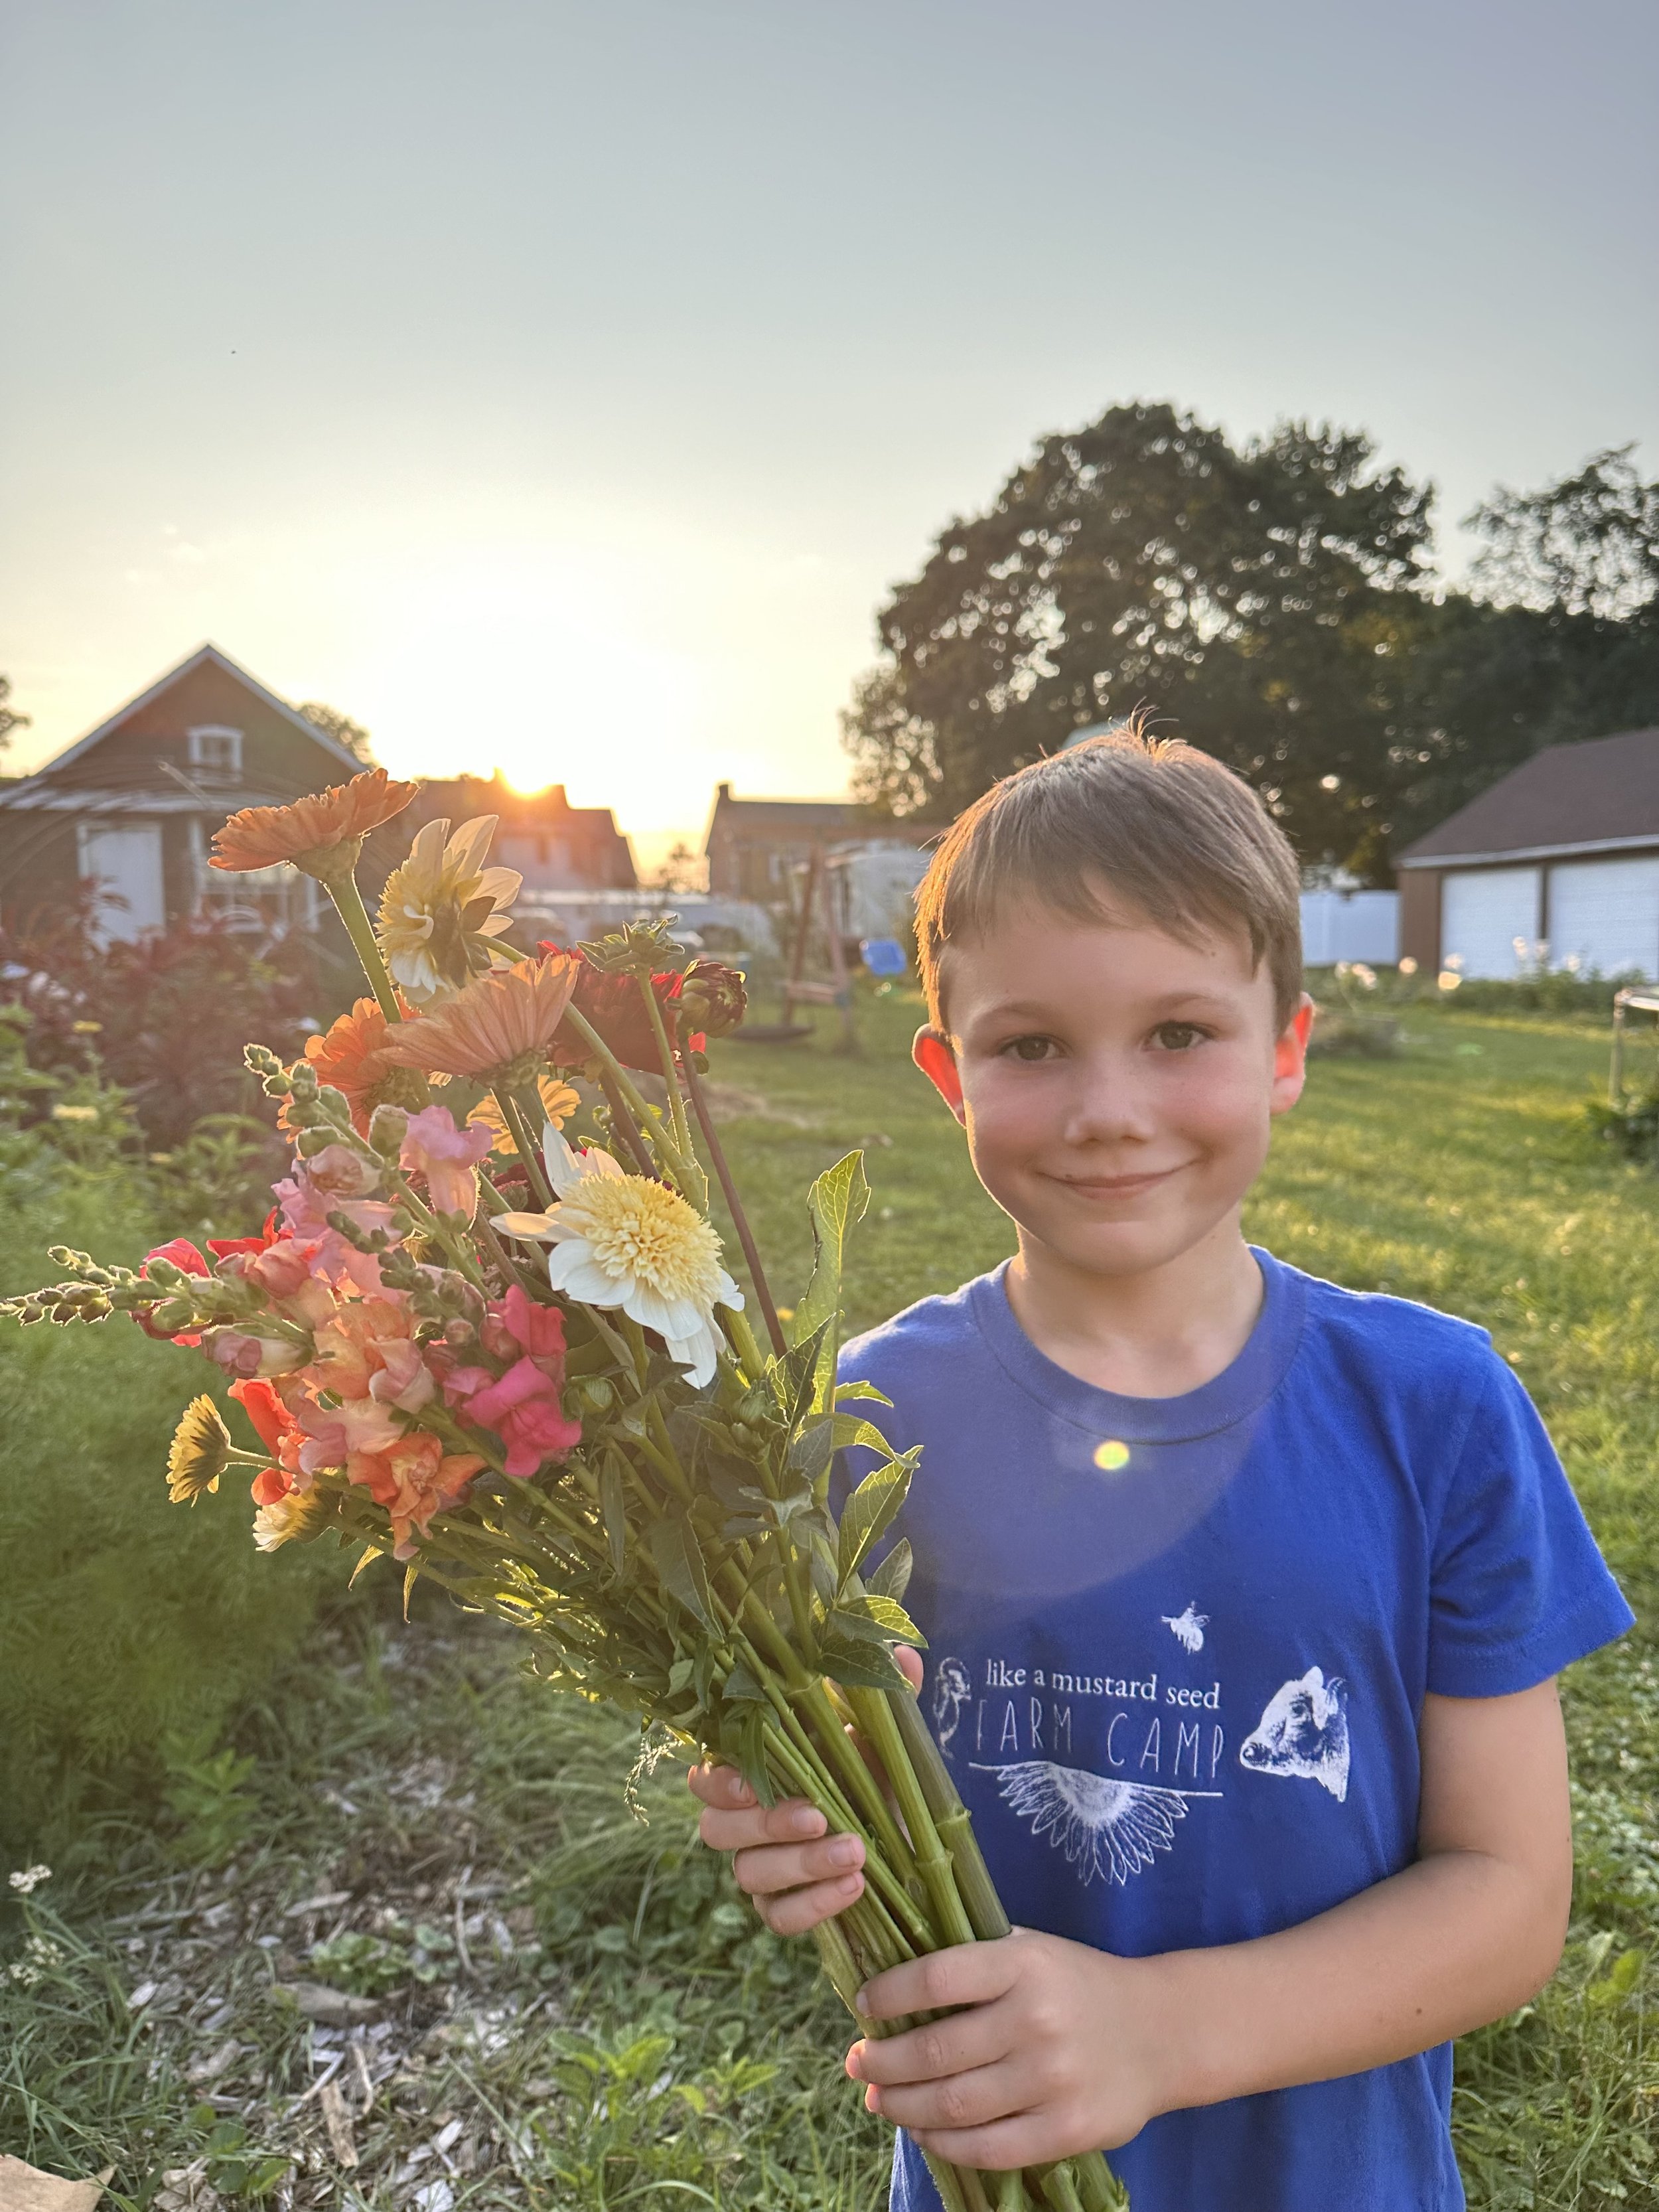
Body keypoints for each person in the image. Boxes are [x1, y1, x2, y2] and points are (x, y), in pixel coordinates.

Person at [688, 726, 1632, 2211]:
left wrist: (1158, 2031)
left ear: (1287, 1048)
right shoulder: (852, 1422)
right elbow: (836, 1791)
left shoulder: (1435, 1406)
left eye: (1178, 1033)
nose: (1106, 1107)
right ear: (947, 1072)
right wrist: (789, 1813)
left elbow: (1508, 1902)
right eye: (1030, 1044)